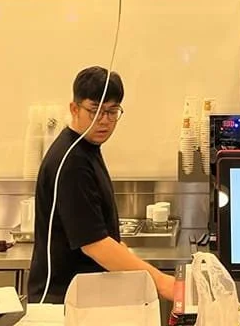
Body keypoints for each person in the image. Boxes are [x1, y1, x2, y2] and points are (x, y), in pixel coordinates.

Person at [28, 66, 177, 304]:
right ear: (74, 109)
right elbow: (95, 245)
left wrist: (125, 255)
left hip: (83, 295)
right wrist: (162, 283)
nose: (105, 120)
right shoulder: (72, 161)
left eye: (112, 111)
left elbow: (98, 231)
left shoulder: (87, 149)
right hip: (61, 301)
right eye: (95, 111)